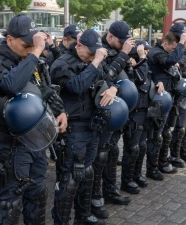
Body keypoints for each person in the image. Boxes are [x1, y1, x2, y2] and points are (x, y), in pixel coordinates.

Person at [0, 14, 67, 224]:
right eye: (26, 44)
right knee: (9, 204)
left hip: (34, 142)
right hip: (7, 145)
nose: (30, 49)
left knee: (37, 195)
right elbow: (9, 86)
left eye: (32, 45)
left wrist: (60, 110)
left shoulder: (28, 61)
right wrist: (36, 51)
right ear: (9, 40)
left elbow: (43, 89)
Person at [50, 29, 108, 225]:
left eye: (96, 53)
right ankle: (62, 221)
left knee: (87, 174)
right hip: (73, 129)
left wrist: (113, 87)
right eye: (90, 52)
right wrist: (95, 63)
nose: (93, 56)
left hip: (92, 126)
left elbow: (105, 81)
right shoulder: (61, 63)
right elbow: (75, 87)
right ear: (79, 45)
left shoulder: (92, 62)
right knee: (70, 179)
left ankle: (82, 216)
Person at [90, 21, 135, 219]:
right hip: (100, 114)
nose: (124, 44)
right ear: (109, 37)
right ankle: (95, 197)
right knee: (99, 158)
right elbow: (106, 75)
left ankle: (110, 190)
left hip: (117, 112)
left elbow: (123, 78)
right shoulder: (99, 51)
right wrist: (124, 55)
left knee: (113, 151)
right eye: (121, 41)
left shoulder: (119, 52)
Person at [146, 22, 186, 180]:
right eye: (173, 47)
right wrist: (181, 45)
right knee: (154, 135)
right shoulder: (156, 52)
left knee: (165, 133)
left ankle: (162, 162)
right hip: (156, 101)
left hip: (167, 99)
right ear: (165, 43)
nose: (174, 50)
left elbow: (171, 61)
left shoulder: (164, 52)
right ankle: (152, 168)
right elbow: (167, 61)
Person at [119, 41, 152, 195]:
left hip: (146, 111)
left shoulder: (144, 66)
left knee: (142, 146)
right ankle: (127, 180)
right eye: (142, 51)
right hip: (134, 112)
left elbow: (148, 80)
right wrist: (140, 60)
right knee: (132, 148)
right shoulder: (131, 68)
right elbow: (140, 79)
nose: (145, 54)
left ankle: (137, 175)